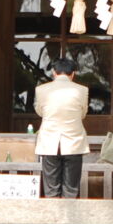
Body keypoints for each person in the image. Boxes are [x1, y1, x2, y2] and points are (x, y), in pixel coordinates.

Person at [33, 56, 89, 198]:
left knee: (51, 189)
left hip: (49, 142)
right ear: (73, 74)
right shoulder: (82, 90)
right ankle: (69, 219)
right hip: (73, 142)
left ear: (54, 72)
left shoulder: (41, 90)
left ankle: (54, 218)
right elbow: (83, 113)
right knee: (71, 189)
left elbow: (40, 112)